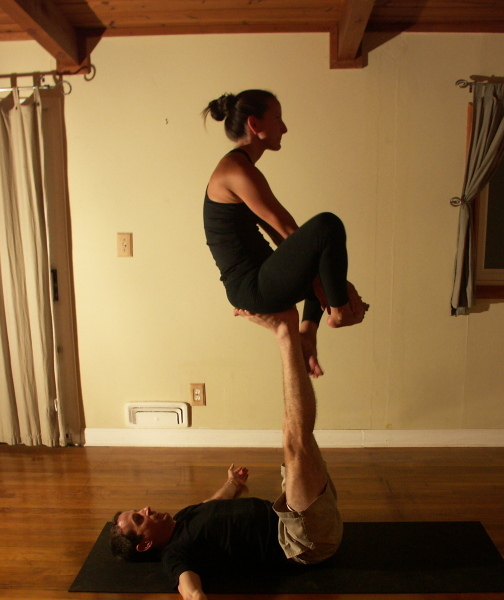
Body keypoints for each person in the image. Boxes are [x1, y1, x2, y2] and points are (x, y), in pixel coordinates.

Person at [111, 307, 343, 600]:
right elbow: (191, 591)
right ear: (144, 544)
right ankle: (287, 335)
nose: (145, 509)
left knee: (291, 426)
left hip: (296, 515)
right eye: (139, 519)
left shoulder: (183, 518)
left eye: (138, 510)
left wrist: (232, 483)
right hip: (302, 540)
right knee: (295, 440)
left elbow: (213, 503)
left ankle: (294, 337)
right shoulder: (175, 555)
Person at [202, 89, 368, 378]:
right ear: (255, 124)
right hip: (251, 287)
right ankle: (341, 312)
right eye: (277, 118)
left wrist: (328, 280)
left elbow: (282, 236)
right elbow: (288, 230)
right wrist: (338, 291)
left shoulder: (241, 168)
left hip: (259, 280)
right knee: (327, 225)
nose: (284, 127)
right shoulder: (236, 170)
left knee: (321, 264)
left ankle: (308, 334)